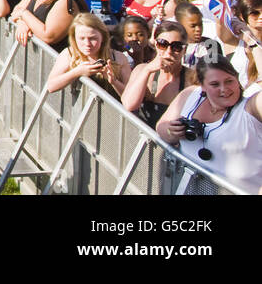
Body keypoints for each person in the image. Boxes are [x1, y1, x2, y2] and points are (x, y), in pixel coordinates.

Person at [156, 57, 262, 194]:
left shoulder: (250, 108)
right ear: (202, 86)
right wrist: (171, 132)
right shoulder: (190, 95)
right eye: (215, 84)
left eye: (229, 81)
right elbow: (161, 127)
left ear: (237, 79)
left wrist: (254, 45)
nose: (224, 89)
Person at [122, 21, 194, 127]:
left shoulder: (192, 78)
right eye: (163, 44)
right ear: (156, 45)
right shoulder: (142, 70)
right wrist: (147, 70)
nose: (169, 52)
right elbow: (129, 105)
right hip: (143, 137)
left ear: (185, 49)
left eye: (176, 46)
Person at [45, 12, 130, 98]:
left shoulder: (118, 57)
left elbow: (129, 98)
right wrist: (77, 72)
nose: (87, 44)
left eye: (93, 38)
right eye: (81, 38)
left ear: (103, 38)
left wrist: (113, 81)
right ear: (74, 38)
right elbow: (51, 86)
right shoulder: (70, 54)